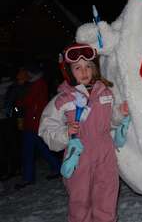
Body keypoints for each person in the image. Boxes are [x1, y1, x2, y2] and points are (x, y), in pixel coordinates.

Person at [39, 43, 129, 222]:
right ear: (68, 71)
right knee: (80, 200)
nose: (84, 71)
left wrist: (120, 113)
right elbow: (46, 129)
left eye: (88, 66)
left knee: (107, 195)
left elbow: (110, 121)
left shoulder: (105, 93)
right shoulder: (63, 99)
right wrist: (65, 133)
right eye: (77, 67)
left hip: (105, 153)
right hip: (78, 154)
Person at [14, 61, 61, 189]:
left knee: (30, 149)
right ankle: (57, 168)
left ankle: (28, 177)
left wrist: (20, 90)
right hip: (34, 121)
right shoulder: (36, 83)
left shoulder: (37, 84)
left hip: (34, 121)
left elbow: (25, 101)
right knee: (40, 147)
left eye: (25, 73)